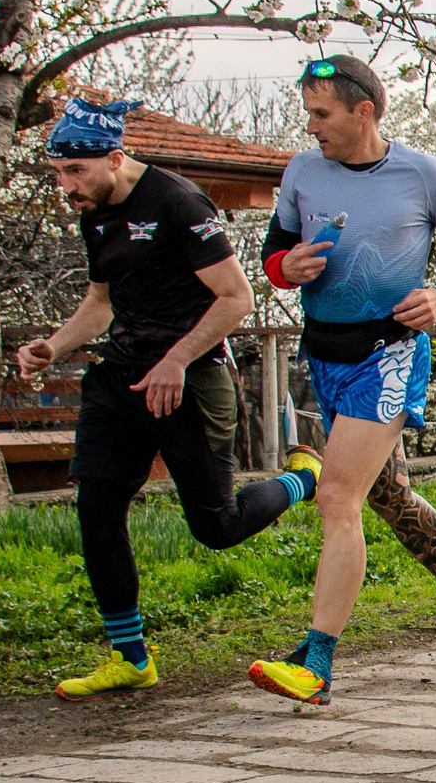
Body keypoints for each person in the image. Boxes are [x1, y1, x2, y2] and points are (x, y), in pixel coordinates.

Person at [19, 98, 322, 700]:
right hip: (121, 381)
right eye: (58, 173)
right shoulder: (95, 213)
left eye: (75, 172)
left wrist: (176, 360)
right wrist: (53, 345)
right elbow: (100, 302)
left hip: (191, 379)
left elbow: (236, 298)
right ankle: (130, 657)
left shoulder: (178, 203)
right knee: (97, 509)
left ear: (113, 157)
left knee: (217, 526)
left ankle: (302, 477)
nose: (66, 186)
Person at [246, 57, 436, 706]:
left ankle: (319, 663)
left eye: (322, 114)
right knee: (386, 496)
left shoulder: (421, 173)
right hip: (324, 355)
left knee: (337, 497)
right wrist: (286, 265)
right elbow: (275, 251)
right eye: (308, 112)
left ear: (365, 111)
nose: (312, 126)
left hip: (387, 356)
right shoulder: (303, 170)